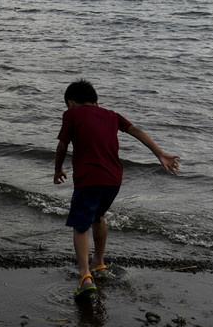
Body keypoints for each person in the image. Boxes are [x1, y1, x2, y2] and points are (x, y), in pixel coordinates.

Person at [53, 79, 180, 298]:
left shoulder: (71, 115)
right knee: (98, 215)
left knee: (80, 225)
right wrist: (159, 153)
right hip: (113, 179)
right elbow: (136, 131)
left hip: (89, 178)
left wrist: (57, 169)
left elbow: (63, 144)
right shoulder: (111, 115)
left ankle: (85, 276)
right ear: (96, 101)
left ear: (71, 103)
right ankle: (99, 264)